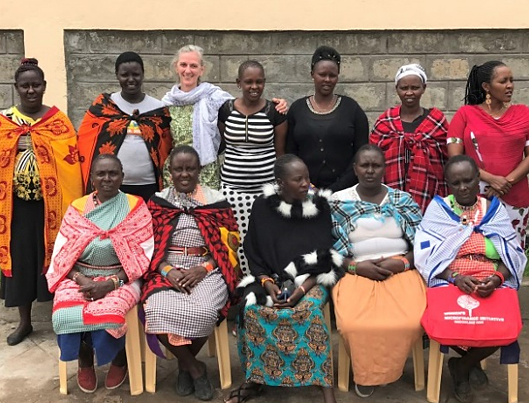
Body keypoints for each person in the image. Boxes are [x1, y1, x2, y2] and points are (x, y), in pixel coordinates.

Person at [226, 154, 343, 403]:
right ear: (280, 182)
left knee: (308, 311)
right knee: (253, 307)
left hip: (311, 279)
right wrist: (268, 285)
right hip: (272, 278)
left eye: (307, 178)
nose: (306, 184)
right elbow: (254, 249)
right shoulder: (263, 207)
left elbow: (324, 258)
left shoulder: (318, 206)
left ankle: (325, 387)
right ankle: (255, 379)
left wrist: (299, 292)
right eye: (298, 179)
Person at [415, 155, 526, 403]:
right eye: (456, 183)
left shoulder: (494, 209)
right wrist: (455, 277)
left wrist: (497, 278)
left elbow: (512, 252)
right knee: (445, 321)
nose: (463, 187)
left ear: (479, 180)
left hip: (492, 278)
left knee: (504, 326)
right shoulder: (438, 209)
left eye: (468, 180)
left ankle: (462, 366)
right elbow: (425, 254)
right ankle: (469, 363)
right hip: (450, 278)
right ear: (448, 185)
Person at [45, 154, 154, 393]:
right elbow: (62, 254)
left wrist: (112, 283)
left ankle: (119, 359)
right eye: (101, 174)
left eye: (113, 173)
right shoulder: (77, 208)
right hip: (79, 275)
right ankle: (84, 360)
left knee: (112, 310)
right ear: (92, 178)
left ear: (122, 177)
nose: (107, 179)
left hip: (123, 277)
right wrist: (81, 279)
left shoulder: (136, 207)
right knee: (65, 310)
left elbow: (143, 254)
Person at [141, 145, 240, 401]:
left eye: (190, 168)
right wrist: (167, 270)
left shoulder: (215, 201)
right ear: (170, 172)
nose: (184, 174)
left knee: (206, 310)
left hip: (206, 267)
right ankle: (195, 368)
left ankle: (185, 365)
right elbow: (146, 244)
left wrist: (203, 268)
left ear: (199, 171)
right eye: (178, 169)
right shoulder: (158, 202)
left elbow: (230, 243)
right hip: (166, 268)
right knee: (154, 309)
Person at [330, 144, 425, 398]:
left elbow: (424, 246)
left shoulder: (402, 200)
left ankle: (384, 370)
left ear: (385, 168)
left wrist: (403, 262)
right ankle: (366, 373)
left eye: (376, 165)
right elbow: (326, 250)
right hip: (356, 271)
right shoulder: (338, 201)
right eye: (365, 165)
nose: (370, 171)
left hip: (401, 270)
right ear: (355, 168)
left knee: (409, 321)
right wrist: (355, 266)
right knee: (352, 324)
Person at [0, 58, 83, 346]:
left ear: (45, 86)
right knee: (22, 262)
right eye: (25, 85)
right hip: (17, 208)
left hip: (53, 207)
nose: (31, 90)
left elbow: (71, 163)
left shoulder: (57, 122)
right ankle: (25, 322)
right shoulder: (4, 121)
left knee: (56, 258)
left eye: (36, 85)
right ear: (16, 88)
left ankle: (61, 318)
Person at [161, 45, 288, 190]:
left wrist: (278, 104)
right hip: (175, 175)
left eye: (194, 66)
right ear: (176, 67)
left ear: (202, 69)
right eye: (183, 64)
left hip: (206, 174)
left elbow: (246, 104)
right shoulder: (166, 104)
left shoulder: (216, 99)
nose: (188, 70)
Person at [447, 61, 529, 248]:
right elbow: (455, 157)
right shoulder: (465, 114)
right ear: (486, 87)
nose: (510, 86)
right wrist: (490, 179)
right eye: (503, 81)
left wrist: (506, 182)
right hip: (473, 196)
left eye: (511, 80)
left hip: (515, 198)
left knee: (511, 255)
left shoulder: (524, 114)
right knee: (475, 252)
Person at [218, 60, 288, 274]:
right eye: (248, 82)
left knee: (264, 239)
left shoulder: (275, 111)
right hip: (232, 189)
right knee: (233, 241)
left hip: (265, 190)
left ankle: (265, 284)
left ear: (265, 82)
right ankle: (238, 291)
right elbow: (223, 143)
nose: (254, 86)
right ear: (238, 83)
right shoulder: (226, 109)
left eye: (259, 82)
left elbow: (280, 152)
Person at [78, 51, 172, 202]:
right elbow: (86, 140)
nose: (131, 79)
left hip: (149, 185)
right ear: (117, 75)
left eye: (135, 74)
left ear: (143, 74)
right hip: (112, 187)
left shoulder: (158, 109)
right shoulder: (104, 107)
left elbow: (166, 147)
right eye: (124, 75)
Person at [287, 45, 369, 192]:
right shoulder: (297, 110)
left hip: (345, 192)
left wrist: (335, 189)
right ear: (312, 74)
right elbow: (290, 153)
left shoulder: (352, 109)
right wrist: (308, 186)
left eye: (332, 75)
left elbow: (361, 154)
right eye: (322, 74)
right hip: (304, 192)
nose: (327, 79)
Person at [370, 63, 449, 212]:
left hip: (429, 190)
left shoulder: (436, 121)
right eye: (404, 88)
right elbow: (373, 157)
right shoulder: (385, 122)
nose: (409, 93)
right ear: (397, 89)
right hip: (390, 190)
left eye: (415, 88)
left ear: (424, 88)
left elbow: (446, 157)